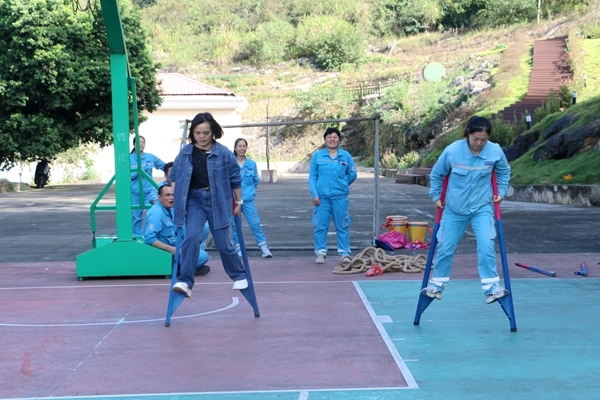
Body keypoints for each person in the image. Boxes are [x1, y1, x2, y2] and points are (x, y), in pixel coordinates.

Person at [421, 115, 511, 304]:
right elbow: (437, 174)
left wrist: (501, 192)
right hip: (454, 208)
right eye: (475, 139)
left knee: (486, 244)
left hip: (482, 206)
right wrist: (436, 196)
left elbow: (504, 171)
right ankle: (436, 286)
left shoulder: (495, 151)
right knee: (445, 246)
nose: (479, 143)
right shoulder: (452, 151)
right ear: (468, 134)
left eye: (484, 140)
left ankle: (491, 288)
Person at [170, 112, 247, 298]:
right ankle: (186, 281)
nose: (202, 137)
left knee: (223, 242)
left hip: (217, 199)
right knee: (191, 238)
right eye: (198, 133)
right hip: (194, 200)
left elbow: (235, 179)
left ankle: (239, 275)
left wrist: (238, 202)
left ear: (213, 132)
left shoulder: (224, 153)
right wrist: (176, 198)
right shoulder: (185, 152)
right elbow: (174, 177)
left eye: (206, 132)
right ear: (192, 133)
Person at [308, 127, 357, 264]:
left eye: (335, 137)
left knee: (342, 225)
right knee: (320, 226)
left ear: (339, 139)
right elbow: (312, 177)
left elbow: (353, 174)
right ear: (325, 139)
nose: (332, 139)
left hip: (340, 197)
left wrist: (343, 184)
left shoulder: (345, 156)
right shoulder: (318, 156)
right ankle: (320, 252)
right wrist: (315, 194)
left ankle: (344, 253)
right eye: (329, 137)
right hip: (321, 198)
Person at [144, 185, 210, 276]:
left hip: (176, 244)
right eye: (167, 195)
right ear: (159, 197)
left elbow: (181, 230)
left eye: (173, 195)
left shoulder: (171, 210)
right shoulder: (156, 213)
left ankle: (187, 264)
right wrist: (171, 249)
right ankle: (179, 267)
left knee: (200, 239)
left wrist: (192, 244)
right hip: (166, 251)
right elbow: (149, 239)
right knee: (203, 256)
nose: (171, 198)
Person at [230, 138, 273, 258]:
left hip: (248, 200)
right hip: (234, 201)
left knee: (255, 223)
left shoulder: (251, 164)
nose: (242, 148)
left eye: (244, 146)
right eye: (239, 146)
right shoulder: (230, 163)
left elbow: (255, 181)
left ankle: (264, 248)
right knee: (235, 225)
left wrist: (250, 192)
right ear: (235, 148)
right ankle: (238, 248)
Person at [131, 136, 165, 235]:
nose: (141, 144)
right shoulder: (129, 159)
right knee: (136, 217)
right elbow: (124, 176)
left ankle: (150, 237)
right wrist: (136, 172)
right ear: (134, 144)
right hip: (134, 193)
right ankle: (137, 238)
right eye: (138, 142)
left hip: (149, 193)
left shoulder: (150, 157)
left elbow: (164, 166)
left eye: (143, 142)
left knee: (152, 215)